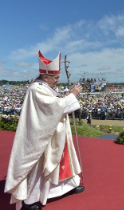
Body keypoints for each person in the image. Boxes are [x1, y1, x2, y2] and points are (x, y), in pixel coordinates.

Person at [4, 50, 85, 210]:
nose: (58, 80)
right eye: (55, 78)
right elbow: (52, 108)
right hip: (42, 136)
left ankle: (68, 186)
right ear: (46, 76)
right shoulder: (36, 89)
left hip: (55, 133)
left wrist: (65, 97)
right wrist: (72, 96)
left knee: (63, 160)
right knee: (40, 165)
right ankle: (30, 200)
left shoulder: (45, 86)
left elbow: (54, 104)